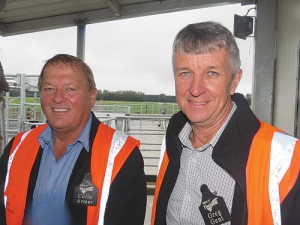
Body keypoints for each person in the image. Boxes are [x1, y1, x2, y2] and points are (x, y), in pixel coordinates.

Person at [151, 21, 300, 225]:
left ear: (235, 80)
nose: (195, 89)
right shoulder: (171, 142)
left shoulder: (284, 159)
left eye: (211, 73)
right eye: (185, 73)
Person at [0, 54, 147, 225]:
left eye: (70, 89)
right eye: (49, 88)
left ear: (92, 97)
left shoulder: (122, 157)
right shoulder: (16, 147)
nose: (58, 98)